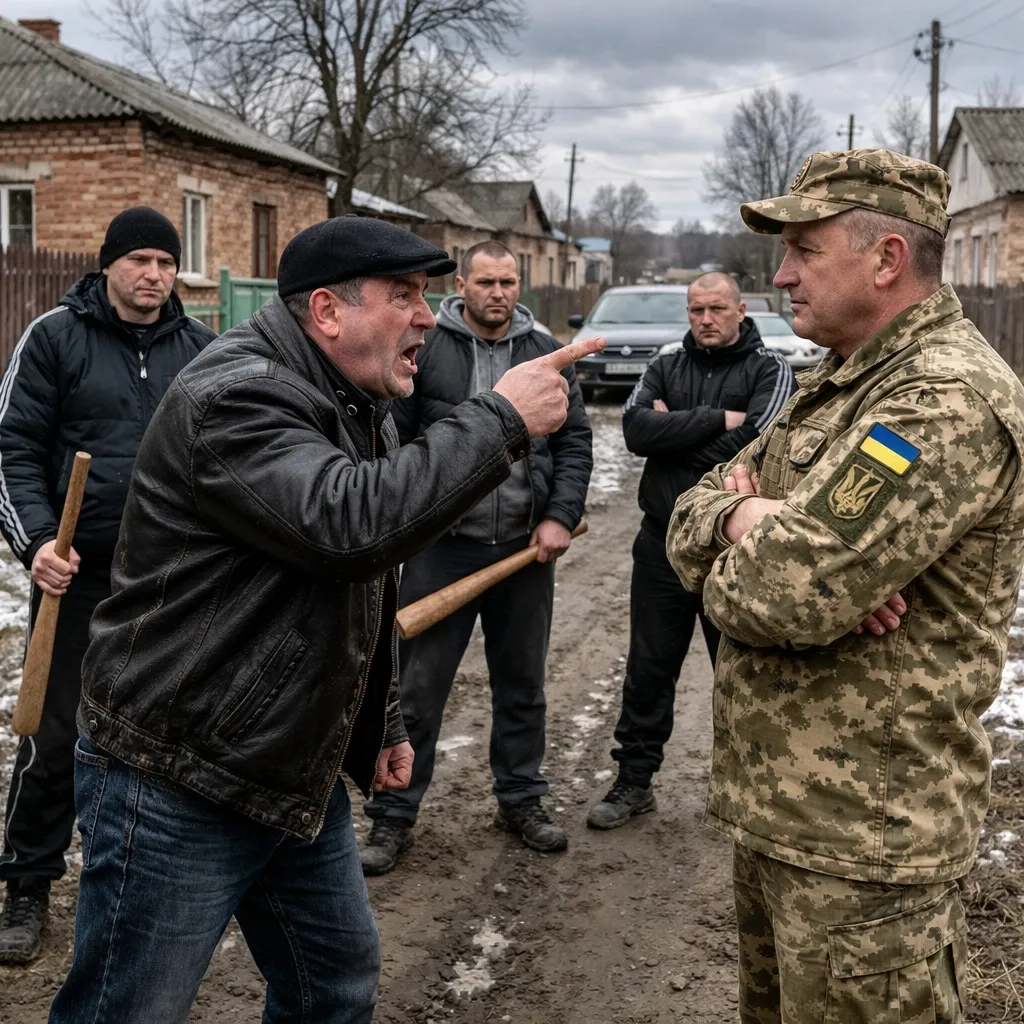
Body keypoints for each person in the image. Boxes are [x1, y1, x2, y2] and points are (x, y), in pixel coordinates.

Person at [48, 216, 604, 1023]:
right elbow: (349, 528)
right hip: (178, 769)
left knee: (333, 983)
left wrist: (379, 722)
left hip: (287, 761)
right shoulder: (236, 396)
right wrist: (501, 418)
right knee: (129, 1009)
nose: (427, 315)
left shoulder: (351, 393)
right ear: (328, 312)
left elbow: (354, 585)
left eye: (428, 295)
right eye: (406, 296)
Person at [667, 149, 1024, 1024]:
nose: (780, 275)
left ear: (887, 259)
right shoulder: (840, 383)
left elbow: (779, 598)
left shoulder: (939, 398)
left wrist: (762, 541)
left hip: (867, 850)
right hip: (788, 820)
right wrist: (742, 521)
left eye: (803, 249)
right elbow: (684, 521)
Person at [0, 207, 215, 965]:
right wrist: (35, 544)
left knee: (161, 739)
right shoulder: (55, 337)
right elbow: (12, 448)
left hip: (169, 585)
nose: (154, 275)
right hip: (75, 579)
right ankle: (26, 884)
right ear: (109, 264)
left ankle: (147, 880)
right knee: (52, 734)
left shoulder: (202, 350)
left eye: (166, 262)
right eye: (140, 261)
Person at [359, 240, 592, 875]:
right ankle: (392, 817)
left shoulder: (546, 352)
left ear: (520, 285)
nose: (497, 292)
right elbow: (393, 438)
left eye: (508, 281)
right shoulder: (424, 346)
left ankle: (521, 800)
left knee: (522, 686)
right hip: (441, 552)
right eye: (485, 281)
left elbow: (574, 444)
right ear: (462, 283)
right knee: (415, 691)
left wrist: (558, 515)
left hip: (522, 553)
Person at [587, 272, 794, 829]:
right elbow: (633, 431)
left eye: (717, 308)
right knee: (649, 667)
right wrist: (713, 422)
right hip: (659, 543)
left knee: (739, 670)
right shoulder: (665, 364)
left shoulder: (769, 369)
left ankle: (753, 798)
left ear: (741, 308)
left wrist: (672, 428)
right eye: (696, 309)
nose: (706, 319)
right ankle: (634, 781)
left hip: (733, 552)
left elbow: (756, 442)